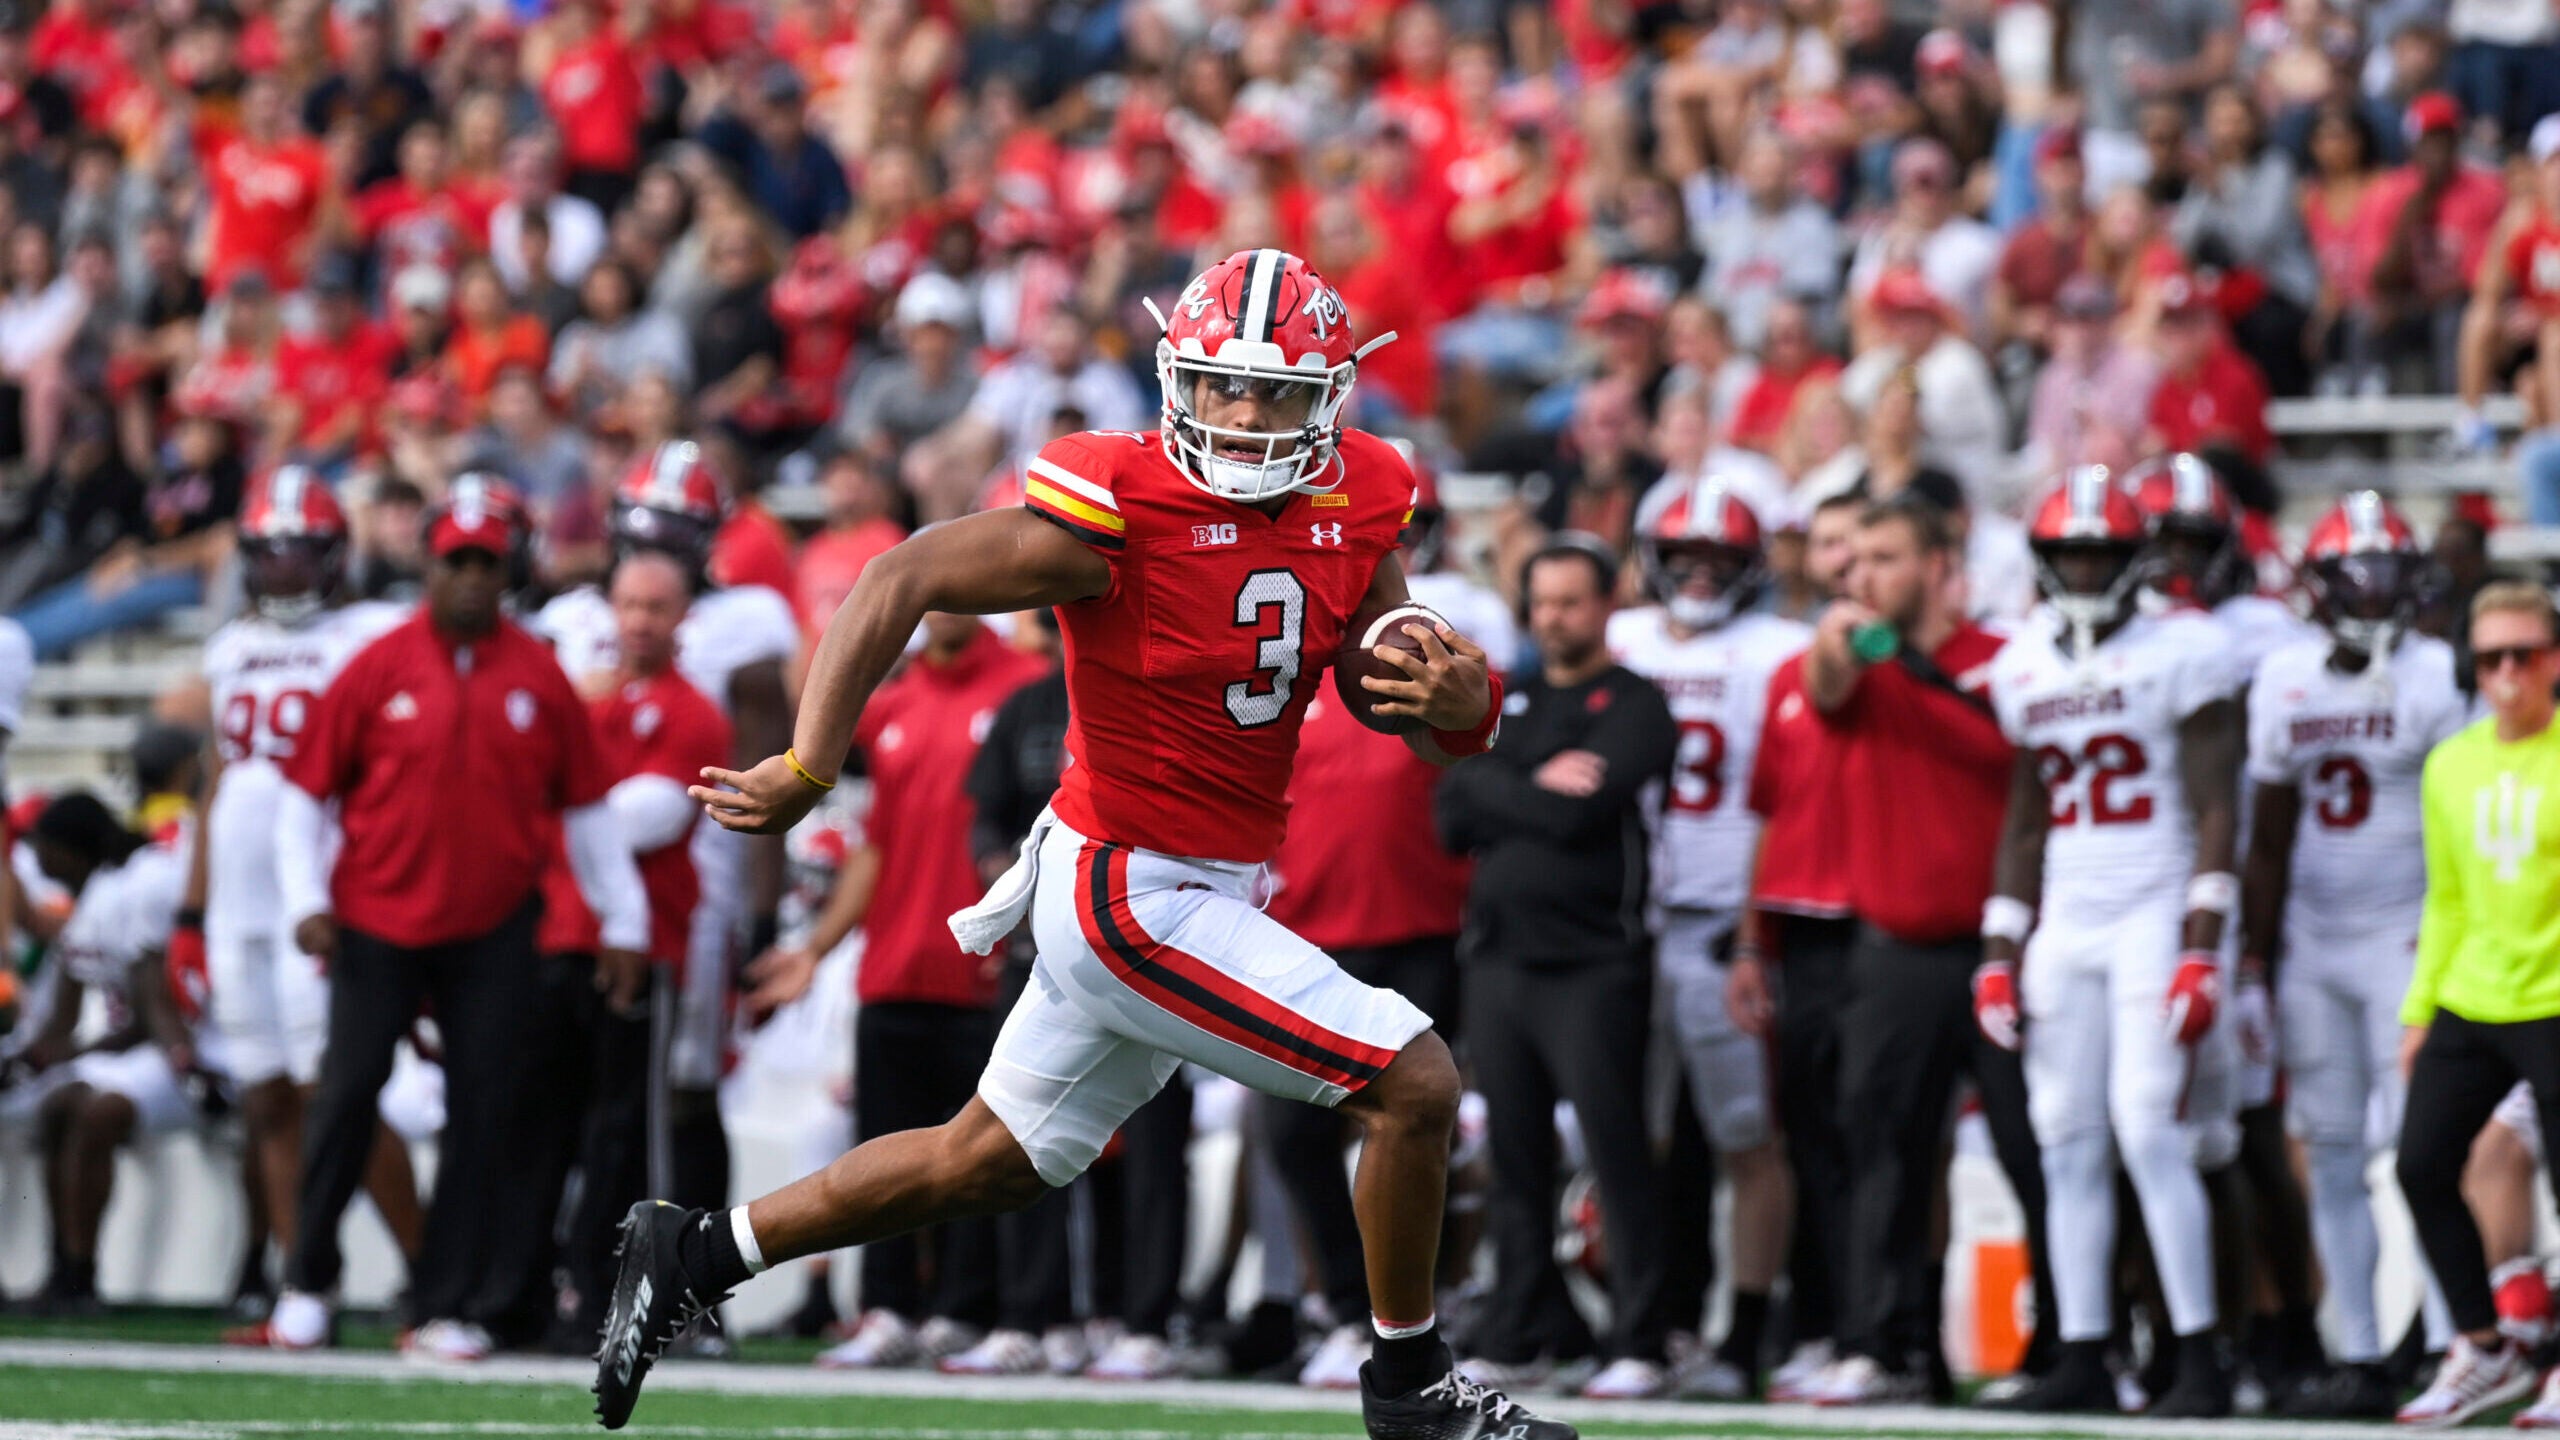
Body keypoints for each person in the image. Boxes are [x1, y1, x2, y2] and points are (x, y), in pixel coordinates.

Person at [595, 249, 1566, 1440]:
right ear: (1177, 381)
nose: (1242, 415)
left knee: (984, 1160)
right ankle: (1411, 1389)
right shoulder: (1117, 507)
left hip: (1205, 884)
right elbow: (898, 578)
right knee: (1412, 1084)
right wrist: (807, 767)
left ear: (1330, 398)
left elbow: (1391, 693)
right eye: (1219, 387)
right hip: (1130, 888)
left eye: (1270, 393)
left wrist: (1460, 706)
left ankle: (693, 1251)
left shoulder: (1358, 496)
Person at [265, 475, 651, 1359]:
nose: (472, 578)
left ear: (508, 567)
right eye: (457, 562)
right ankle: (307, 1283)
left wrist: (621, 924)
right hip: (375, 918)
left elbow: (588, 811)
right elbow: (304, 799)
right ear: (432, 567)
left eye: (487, 561)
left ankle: (445, 1301)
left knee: (485, 1112)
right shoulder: (378, 663)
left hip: (493, 927)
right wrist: (309, 902)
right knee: (347, 1094)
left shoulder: (540, 676)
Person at [1978, 469, 2244, 1417]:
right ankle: (2084, 1352)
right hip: (2067, 914)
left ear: (2135, 561)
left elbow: (2220, 803)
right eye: (2068, 554)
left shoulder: (2186, 649)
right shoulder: (2022, 663)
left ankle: (2199, 1358)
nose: (2085, 570)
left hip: (2154, 903)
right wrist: (1999, 948)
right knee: (2066, 1141)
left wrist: (2202, 943)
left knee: (2148, 1127)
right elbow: (2024, 817)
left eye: (2100, 553)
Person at [1797, 495, 2054, 1406]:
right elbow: (1825, 683)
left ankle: (2059, 1351)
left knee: (2037, 1152)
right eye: (1855, 557)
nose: (1861, 575)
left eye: (1886, 557)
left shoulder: (2011, 660)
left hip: (2008, 949)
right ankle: (1888, 1344)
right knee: (1886, 1159)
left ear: (1943, 566)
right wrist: (1844, 636)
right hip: (1896, 950)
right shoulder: (1860, 659)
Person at [751, 610, 1047, 1373]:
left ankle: (961, 1308)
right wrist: (817, 949)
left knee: (977, 1160)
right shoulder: (896, 703)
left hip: (976, 969)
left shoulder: (1022, 690)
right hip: (893, 963)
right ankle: (886, 1307)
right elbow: (875, 847)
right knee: (881, 1143)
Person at [2239, 493, 2468, 1418]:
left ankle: (2455, 1345)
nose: (2372, 598)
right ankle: (2366, 1352)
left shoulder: (2436, 676)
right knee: (2330, 1152)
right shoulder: (2284, 679)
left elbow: (2454, 816)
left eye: (2386, 579)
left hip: (2406, 937)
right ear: (2319, 587)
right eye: (2354, 580)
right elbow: (2267, 836)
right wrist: (2253, 962)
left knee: (2425, 1152)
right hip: (2313, 942)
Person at [537, 442, 799, 1243]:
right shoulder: (571, 619)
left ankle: (697, 1280)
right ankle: (581, 1270)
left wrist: (765, 902)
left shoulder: (744, 619)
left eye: (674, 536)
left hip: (695, 882)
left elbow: (768, 766)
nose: (654, 556)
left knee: (681, 1086)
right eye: (643, 533)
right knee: (583, 1084)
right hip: (572, 893)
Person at [1439, 537, 1678, 1398]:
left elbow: (1587, 816)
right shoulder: (1512, 696)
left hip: (1596, 962)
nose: (1554, 618)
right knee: (1514, 1155)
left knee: (1616, 1152)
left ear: (1607, 603)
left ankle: (1641, 1339)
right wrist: (1531, 779)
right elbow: (1450, 809)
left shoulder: (1638, 702)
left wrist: (1500, 782)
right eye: (1541, 603)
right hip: (1500, 958)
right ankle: (1521, 1328)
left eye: (1571, 602)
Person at [194, 470, 419, 1347]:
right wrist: (191, 907)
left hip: (317, 894)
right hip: (235, 906)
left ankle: (428, 1269)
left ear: (335, 559)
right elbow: (216, 780)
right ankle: (303, 1293)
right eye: (269, 555)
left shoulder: (370, 633)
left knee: (339, 1093)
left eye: (301, 555)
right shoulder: (229, 648)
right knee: (264, 1098)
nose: (284, 572)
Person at [1605, 479, 1807, 1398]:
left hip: (1728, 918)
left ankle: (1747, 1332)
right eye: (1682, 557)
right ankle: (1653, 1326)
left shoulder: (1779, 651)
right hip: (1626, 920)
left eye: (1718, 561)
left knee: (1745, 1135)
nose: (1697, 576)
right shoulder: (1622, 639)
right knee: (1632, 1137)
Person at [2391, 581, 2560, 1428]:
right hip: (2474, 994)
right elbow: (2446, 899)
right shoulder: (2450, 764)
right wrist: (2420, 1011)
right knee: (2419, 1163)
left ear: (2554, 661)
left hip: (2556, 997)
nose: (2505, 674)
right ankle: (2484, 1346)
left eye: (2523, 655)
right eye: (2488, 657)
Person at [1726, 490, 1862, 1400]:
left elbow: (1843, 685)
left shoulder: (1922, 657)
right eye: (1832, 548)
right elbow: (1768, 810)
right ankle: (1817, 1323)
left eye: (1865, 548)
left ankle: (1881, 1328)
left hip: (1889, 920)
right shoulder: (1785, 668)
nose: (1846, 566)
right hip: (1798, 922)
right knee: (1806, 1135)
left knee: (1882, 1140)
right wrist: (1747, 938)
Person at [11, 792, 197, 1314]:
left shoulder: (136, 886)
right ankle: (65, 1270)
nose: (37, 856)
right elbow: (62, 1017)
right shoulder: (92, 895)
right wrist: (28, 1062)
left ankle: (85, 1270)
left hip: (174, 1047)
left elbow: (149, 1014)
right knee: (56, 1106)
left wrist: (70, 1054)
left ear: (68, 849)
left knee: (96, 1111)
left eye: (42, 844)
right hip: (129, 1052)